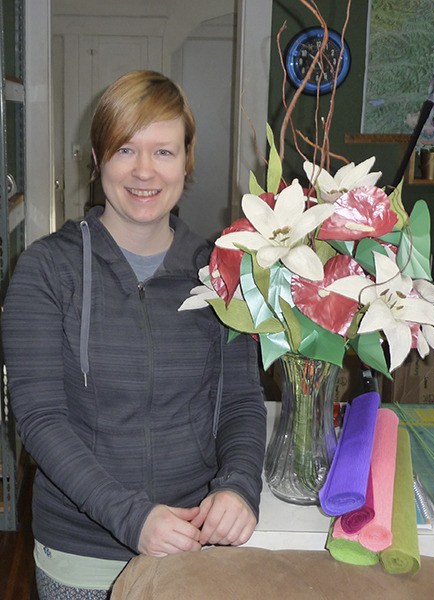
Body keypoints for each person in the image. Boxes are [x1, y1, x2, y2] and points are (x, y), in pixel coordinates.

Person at [2, 70, 267, 599]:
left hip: (194, 550)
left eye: (164, 152)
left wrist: (239, 488)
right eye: (125, 149)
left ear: (187, 160)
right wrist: (132, 518)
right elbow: (40, 420)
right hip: (84, 556)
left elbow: (241, 402)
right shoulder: (44, 271)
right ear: (97, 158)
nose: (144, 171)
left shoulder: (223, 272)